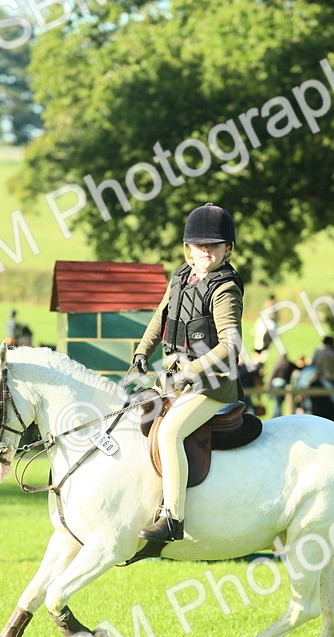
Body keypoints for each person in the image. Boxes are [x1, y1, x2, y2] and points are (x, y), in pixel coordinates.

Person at [131, 203, 244, 543]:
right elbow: (160, 318)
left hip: (212, 385)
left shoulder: (225, 290)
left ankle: (174, 518)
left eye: (214, 245)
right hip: (178, 378)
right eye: (200, 245)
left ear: (227, 249)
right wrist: (141, 352)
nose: (206, 251)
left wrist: (190, 370)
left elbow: (230, 346)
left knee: (170, 433)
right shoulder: (180, 277)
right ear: (188, 248)